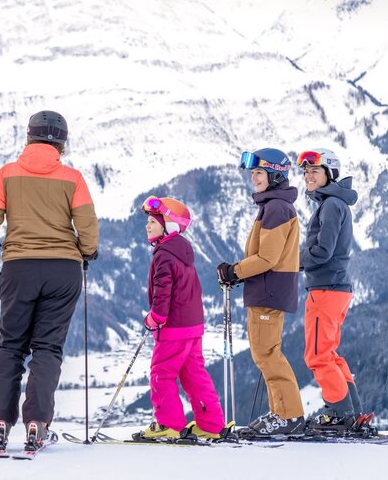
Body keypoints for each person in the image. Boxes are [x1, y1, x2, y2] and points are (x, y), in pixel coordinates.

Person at [0, 110, 99, 450]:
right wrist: (87, 251)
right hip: (64, 270)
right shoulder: (72, 178)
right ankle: (37, 423)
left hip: (19, 267)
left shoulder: (7, 174)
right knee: (47, 347)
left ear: (28, 136)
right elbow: (87, 224)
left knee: (11, 344)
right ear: (62, 140)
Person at [216, 148, 305, 438]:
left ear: (276, 175)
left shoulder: (277, 208)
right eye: (252, 173)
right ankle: (281, 412)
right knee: (265, 353)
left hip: (269, 292)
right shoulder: (272, 206)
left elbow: (267, 258)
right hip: (266, 290)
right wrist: (238, 272)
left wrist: (235, 271)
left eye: (259, 172)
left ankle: (288, 415)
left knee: (268, 354)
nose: (253, 178)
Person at [135, 196, 226, 441]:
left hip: (173, 328)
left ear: (169, 226)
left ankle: (169, 424)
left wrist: (155, 317)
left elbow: (163, 290)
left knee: (161, 374)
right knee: (194, 374)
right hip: (193, 327)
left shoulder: (164, 255)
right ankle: (211, 424)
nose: (148, 226)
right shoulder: (183, 252)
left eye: (154, 221)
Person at [296, 149, 362, 430]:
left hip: (326, 288)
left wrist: (290, 261)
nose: (309, 176)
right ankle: (352, 410)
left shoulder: (332, 205)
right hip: (335, 288)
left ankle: (340, 413)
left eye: (315, 171)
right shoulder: (332, 203)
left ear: (329, 174)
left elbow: (323, 251)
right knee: (330, 353)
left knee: (317, 355)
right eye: (306, 171)